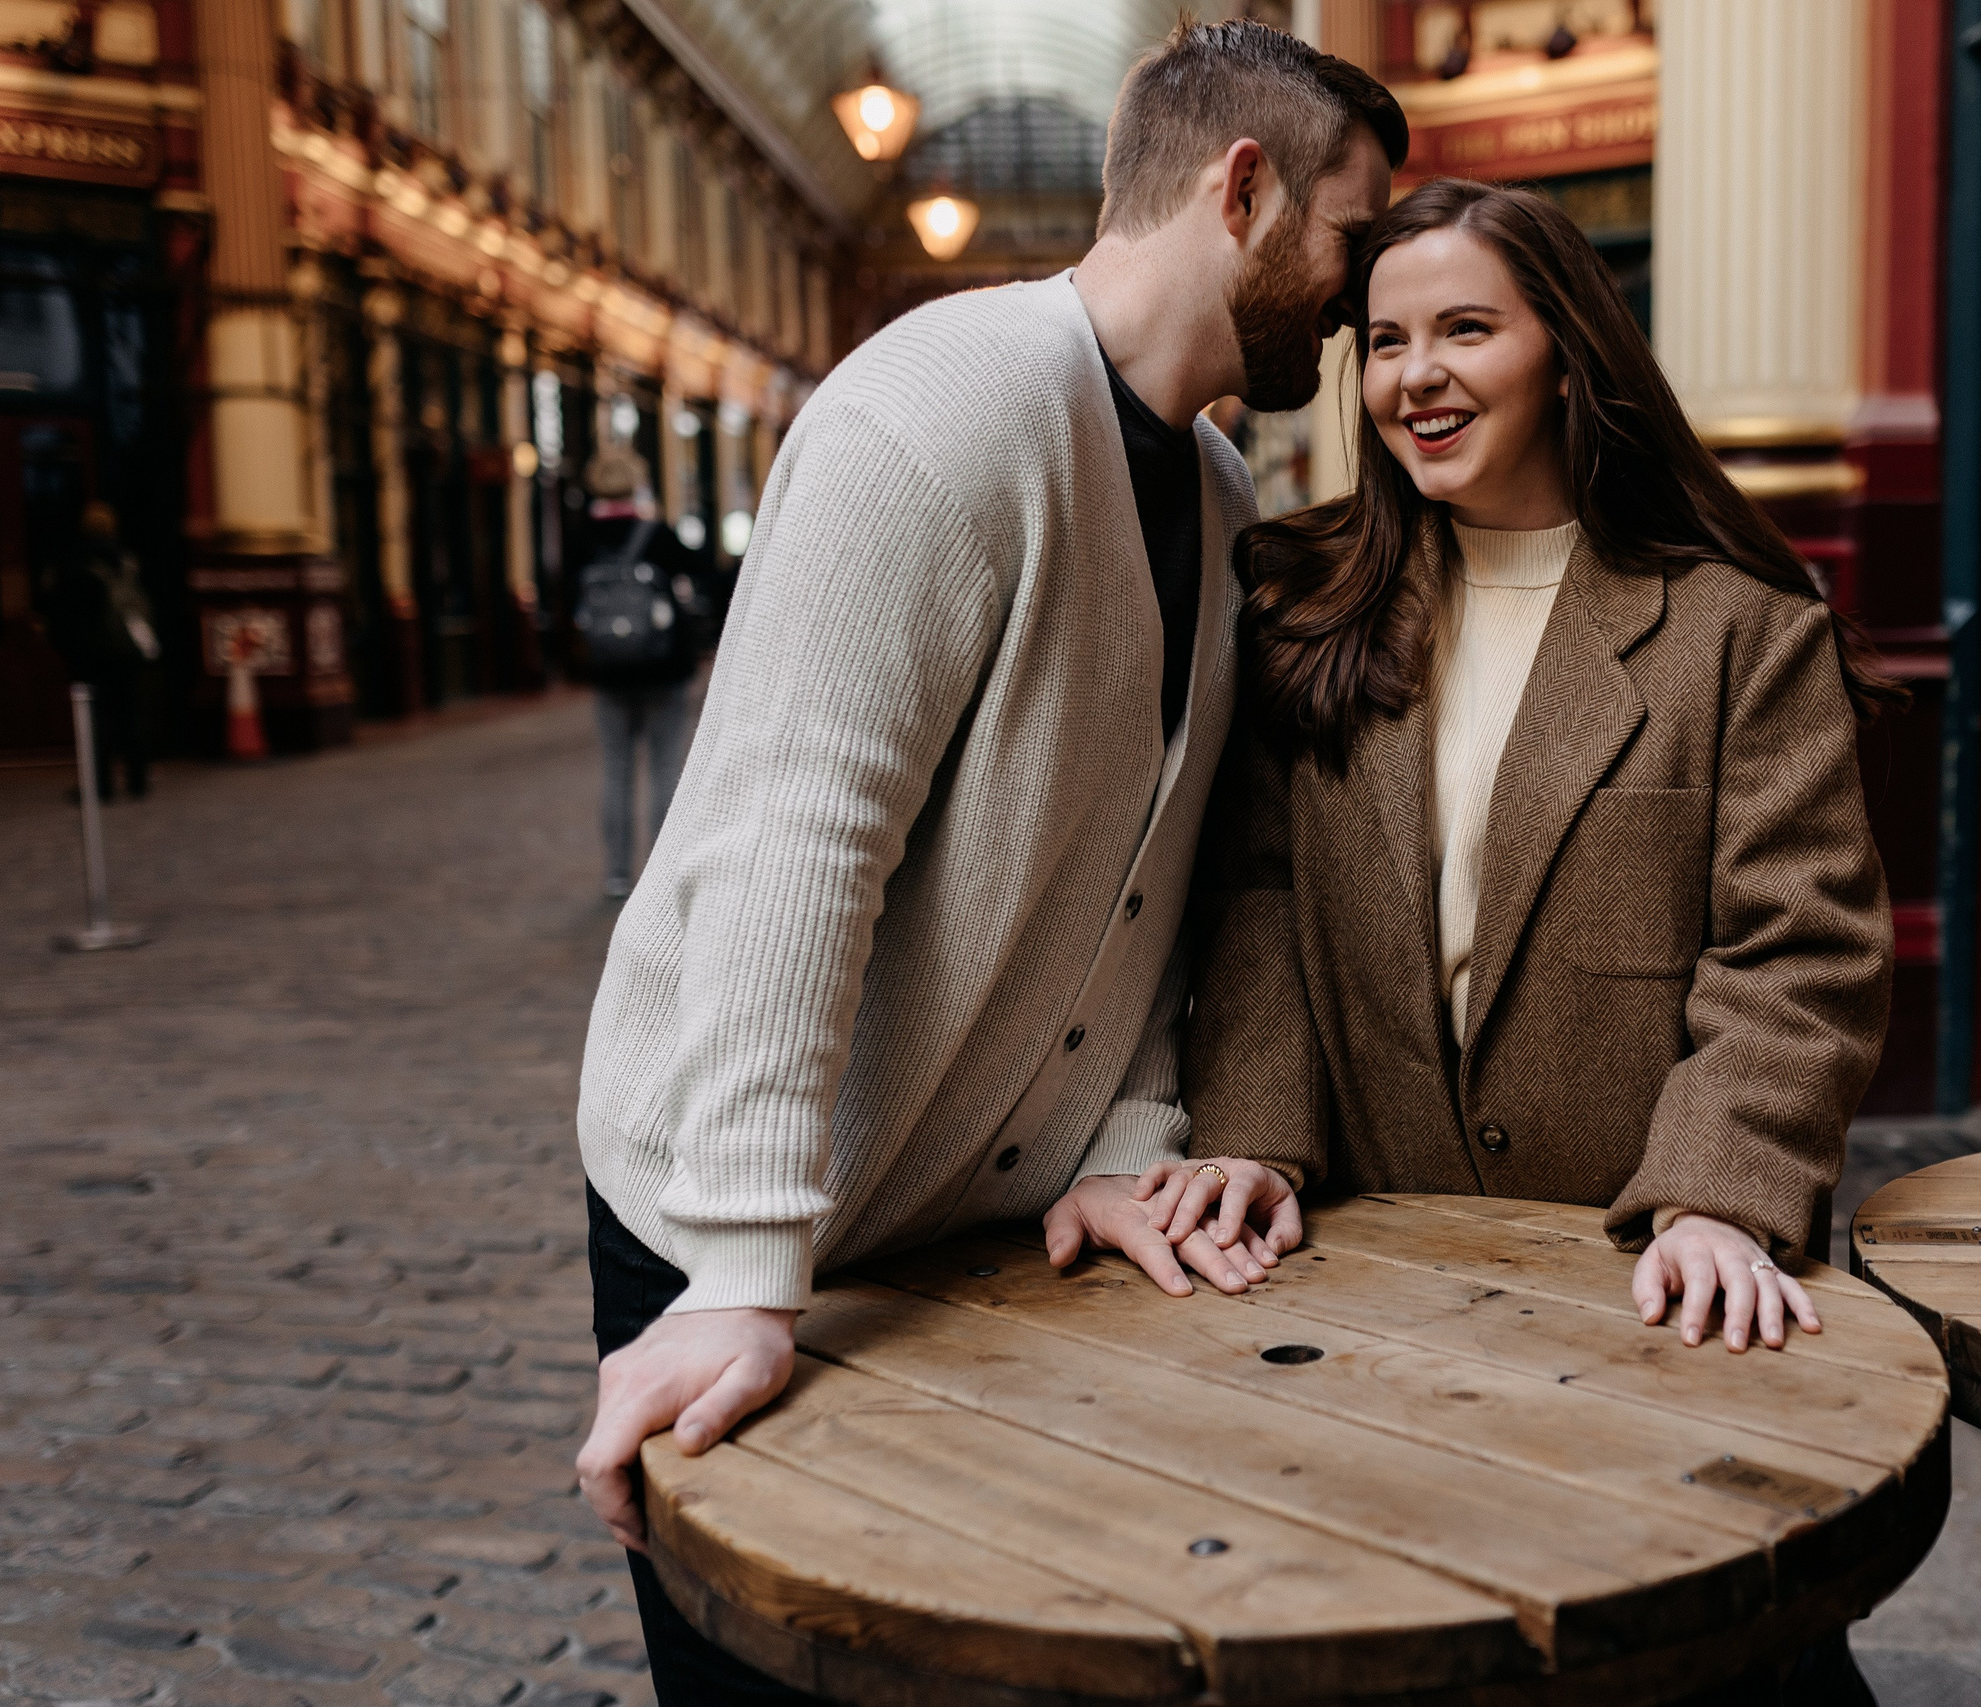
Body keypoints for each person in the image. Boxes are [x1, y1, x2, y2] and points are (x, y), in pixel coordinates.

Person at [573, 22, 1403, 1701]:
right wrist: (743, 1276)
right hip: (734, 1220)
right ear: (1242, 191)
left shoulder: (1231, 497)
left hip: (964, 1214)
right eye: (1352, 233)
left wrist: (1126, 1132)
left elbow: (1145, 878)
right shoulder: (940, 410)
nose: (1362, 288)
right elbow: (791, 846)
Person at [1171, 176, 1899, 1359]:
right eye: (1387, 341)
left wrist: (1717, 1195)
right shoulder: (1308, 613)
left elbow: (1799, 955)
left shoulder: (1741, 632)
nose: (1417, 376)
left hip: (1651, 1271)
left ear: (1566, 355)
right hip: (1358, 1253)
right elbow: (1262, 904)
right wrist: (1252, 1136)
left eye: (1466, 329)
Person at [575, 448, 703, 900]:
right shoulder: (657, 534)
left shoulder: (583, 536)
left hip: (609, 672)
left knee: (616, 770)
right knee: (665, 767)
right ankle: (661, 872)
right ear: (637, 485)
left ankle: (616, 874)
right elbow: (702, 571)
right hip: (663, 669)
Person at [40, 501, 159, 801]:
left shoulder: (76, 563)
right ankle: (138, 780)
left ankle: (100, 785)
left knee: (95, 718)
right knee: (129, 713)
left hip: (92, 652)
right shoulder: (128, 560)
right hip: (128, 649)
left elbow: (61, 610)